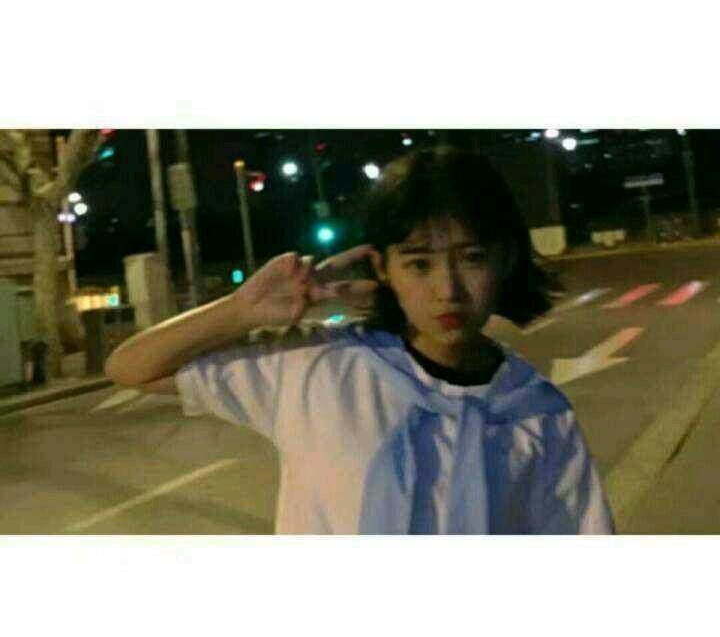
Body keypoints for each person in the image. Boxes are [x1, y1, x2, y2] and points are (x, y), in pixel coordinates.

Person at [105, 146, 615, 534]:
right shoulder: (318, 368)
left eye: (472, 258)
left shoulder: (538, 413)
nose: (448, 289)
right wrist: (240, 311)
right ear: (382, 267)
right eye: (419, 264)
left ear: (504, 259)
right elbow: (132, 368)